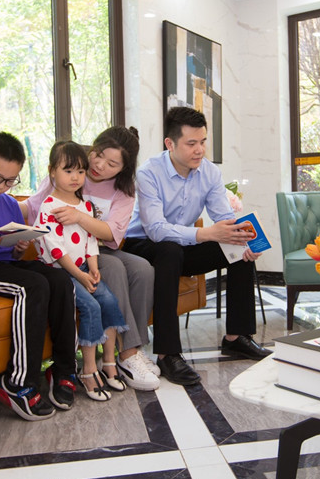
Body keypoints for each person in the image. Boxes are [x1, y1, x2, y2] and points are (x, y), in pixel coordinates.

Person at [122, 106, 271, 386]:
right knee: (169, 250)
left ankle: (236, 337)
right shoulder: (149, 173)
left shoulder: (210, 172)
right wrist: (205, 233)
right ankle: (167, 354)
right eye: (191, 143)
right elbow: (156, 230)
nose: (199, 150)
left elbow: (224, 217)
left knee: (236, 249)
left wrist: (245, 240)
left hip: (182, 246)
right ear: (170, 144)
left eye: (203, 142)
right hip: (143, 245)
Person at [26, 127, 160, 391]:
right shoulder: (72, 166)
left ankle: (135, 347)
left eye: (111, 164)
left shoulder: (124, 189)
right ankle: (126, 353)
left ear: (123, 169)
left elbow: (112, 234)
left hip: (99, 246)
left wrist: (80, 217)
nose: (99, 165)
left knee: (143, 269)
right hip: (72, 253)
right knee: (115, 267)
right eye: (98, 155)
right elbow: (34, 205)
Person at [0, 132, 77, 419]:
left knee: (60, 280)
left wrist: (19, 247)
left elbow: (12, 257)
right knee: (32, 286)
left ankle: (64, 370)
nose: (2, 186)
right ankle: (18, 383)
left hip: (5, 266)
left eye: (11, 181)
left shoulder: (10, 204)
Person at [36, 140, 129, 401]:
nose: (75, 177)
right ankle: (88, 370)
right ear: (52, 171)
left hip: (84, 268)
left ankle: (108, 362)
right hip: (61, 272)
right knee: (91, 307)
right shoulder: (48, 207)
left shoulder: (85, 207)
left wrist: (94, 268)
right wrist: (80, 275)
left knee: (109, 301)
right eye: (68, 171)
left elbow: (90, 241)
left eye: (80, 171)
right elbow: (55, 249)